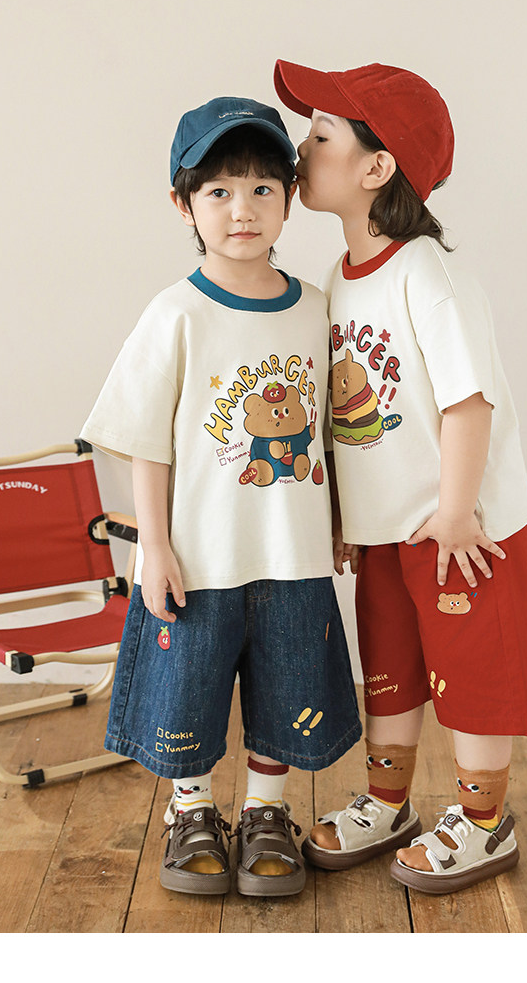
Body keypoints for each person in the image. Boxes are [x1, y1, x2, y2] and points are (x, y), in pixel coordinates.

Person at [273, 60, 527, 894]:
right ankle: (389, 802)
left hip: (461, 528)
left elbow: (468, 402)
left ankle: (485, 822)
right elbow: (347, 417)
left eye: (320, 136)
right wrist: (345, 514)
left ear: (376, 167)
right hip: (389, 528)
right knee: (390, 665)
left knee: (472, 672)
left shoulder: (428, 271)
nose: (300, 150)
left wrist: (457, 513)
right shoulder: (341, 278)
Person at [81, 96, 361, 898]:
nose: (243, 209)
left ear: (289, 198)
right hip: (198, 556)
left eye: (262, 189)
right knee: (189, 690)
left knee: (289, 685)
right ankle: (192, 809)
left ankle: (267, 810)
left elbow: (330, 430)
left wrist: (340, 517)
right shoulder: (176, 313)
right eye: (219, 191)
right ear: (184, 204)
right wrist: (154, 545)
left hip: (291, 552)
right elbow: (147, 439)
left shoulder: (315, 309)